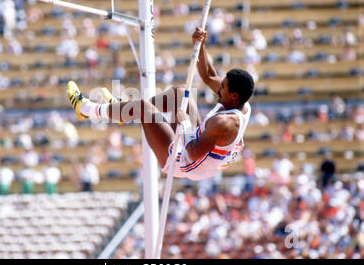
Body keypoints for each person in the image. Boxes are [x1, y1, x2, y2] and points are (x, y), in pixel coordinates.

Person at [66, 27, 254, 181]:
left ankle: (86, 109)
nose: (218, 88)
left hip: (186, 163)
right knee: (180, 93)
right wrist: (200, 45)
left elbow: (193, 152)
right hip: (199, 148)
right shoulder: (241, 105)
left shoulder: (224, 122)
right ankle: (123, 110)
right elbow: (209, 76)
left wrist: (186, 123)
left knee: (142, 108)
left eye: (223, 88)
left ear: (234, 96)